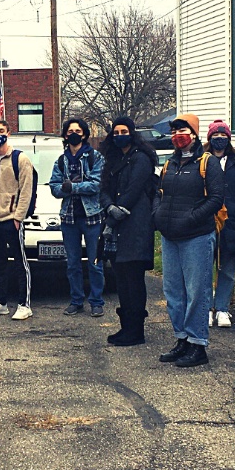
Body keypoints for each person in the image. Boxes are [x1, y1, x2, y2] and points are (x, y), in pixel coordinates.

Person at [153, 113, 225, 368]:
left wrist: (192, 218)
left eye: (182, 130)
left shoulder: (207, 163)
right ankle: (181, 338)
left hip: (197, 236)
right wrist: (157, 215)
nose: (177, 136)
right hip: (170, 237)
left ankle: (198, 344)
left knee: (197, 291)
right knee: (173, 291)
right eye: (173, 132)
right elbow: (159, 193)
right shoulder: (169, 164)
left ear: (194, 134)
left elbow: (216, 198)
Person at [99, 117, 158, 346]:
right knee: (121, 279)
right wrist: (109, 207)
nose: (119, 135)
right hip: (115, 227)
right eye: (116, 131)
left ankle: (136, 330)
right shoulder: (113, 159)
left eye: (124, 131)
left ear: (132, 133)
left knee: (134, 280)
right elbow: (103, 188)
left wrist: (118, 211)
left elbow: (133, 190)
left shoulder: (141, 158)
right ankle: (125, 328)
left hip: (135, 225)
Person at [49, 118, 106, 317]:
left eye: (78, 131)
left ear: (84, 134)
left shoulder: (95, 157)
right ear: (65, 135)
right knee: (72, 263)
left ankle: (97, 302)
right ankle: (76, 300)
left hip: (92, 217)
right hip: (69, 218)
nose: (74, 134)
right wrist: (67, 188)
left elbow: (96, 184)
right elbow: (54, 187)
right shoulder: (61, 160)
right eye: (70, 131)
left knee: (95, 262)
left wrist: (71, 187)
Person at [0, 120, 36, 320]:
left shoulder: (20, 159)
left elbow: (26, 191)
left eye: (1, 131)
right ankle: (1, 302)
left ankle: (24, 304)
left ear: (9, 133)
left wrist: (18, 217)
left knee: (20, 262)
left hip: (12, 220)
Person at [206, 119, 235, 329]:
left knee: (227, 268)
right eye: (216, 136)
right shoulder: (202, 161)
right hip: (206, 222)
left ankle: (222, 308)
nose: (219, 140)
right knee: (203, 269)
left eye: (223, 137)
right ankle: (205, 309)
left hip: (231, 223)